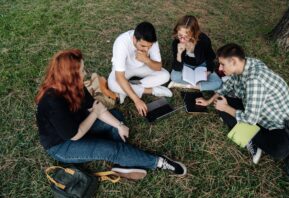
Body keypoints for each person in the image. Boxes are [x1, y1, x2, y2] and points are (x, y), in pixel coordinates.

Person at [35, 49, 187, 179]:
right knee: (112, 150)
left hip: (81, 124)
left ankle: (122, 164)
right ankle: (160, 162)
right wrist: (95, 113)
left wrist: (119, 125)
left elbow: (96, 106)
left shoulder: (75, 85)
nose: (85, 73)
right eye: (81, 71)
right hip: (63, 145)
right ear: (70, 76)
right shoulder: (52, 101)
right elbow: (75, 134)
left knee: (116, 119)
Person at [196, 43, 289, 164]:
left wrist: (226, 107)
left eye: (222, 64)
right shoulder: (246, 64)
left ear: (234, 61)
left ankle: (252, 139)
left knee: (280, 150)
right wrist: (209, 101)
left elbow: (249, 119)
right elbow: (227, 86)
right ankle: (252, 136)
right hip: (256, 111)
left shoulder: (254, 81)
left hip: (280, 125)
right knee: (220, 104)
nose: (219, 68)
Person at [108, 22, 172, 117]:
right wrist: (136, 100)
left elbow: (158, 67)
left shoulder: (151, 41)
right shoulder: (121, 42)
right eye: (143, 46)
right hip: (125, 69)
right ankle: (152, 90)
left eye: (149, 47)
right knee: (112, 84)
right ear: (134, 39)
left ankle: (125, 89)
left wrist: (147, 60)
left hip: (143, 67)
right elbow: (120, 76)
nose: (146, 50)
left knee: (165, 75)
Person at [168, 15, 222, 91]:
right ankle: (200, 86)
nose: (182, 40)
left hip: (202, 66)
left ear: (193, 33)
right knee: (174, 76)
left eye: (186, 36)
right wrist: (179, 54)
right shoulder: (176, 42)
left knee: (217, 82)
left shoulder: (203, 40)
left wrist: (209, 71)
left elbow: (210, 57)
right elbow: (177, 67)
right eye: (180, 35)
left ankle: (182, 85)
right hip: (185, 66)